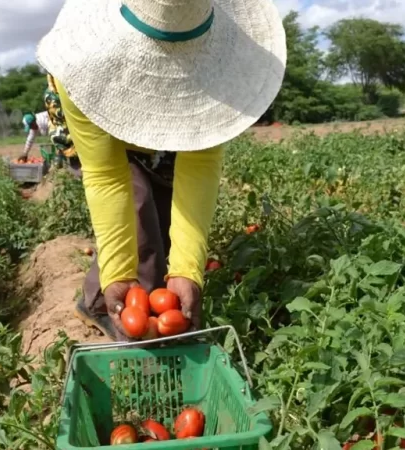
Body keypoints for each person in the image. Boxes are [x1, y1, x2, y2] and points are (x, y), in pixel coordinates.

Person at [36, 0, 286, 340]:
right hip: (93, 124)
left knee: (167, 213)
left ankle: (130, 301)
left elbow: (200, 163)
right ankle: (106, 307)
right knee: (142, 226)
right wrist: (120, 275)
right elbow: (107, 175)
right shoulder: (82, 67)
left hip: (165, 135)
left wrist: (187, 269)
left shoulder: (212, 75)